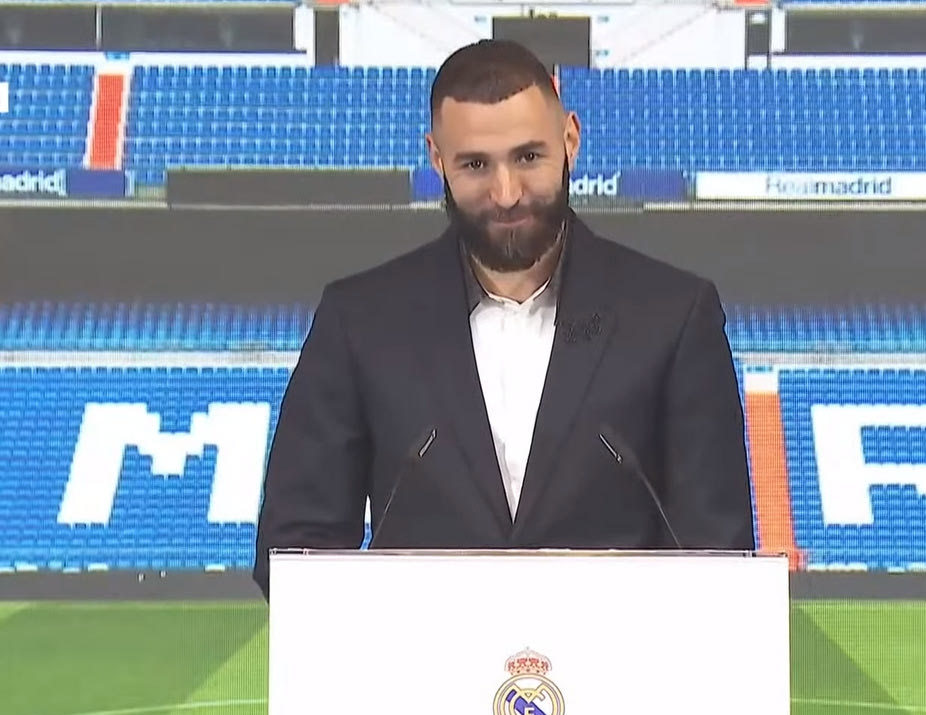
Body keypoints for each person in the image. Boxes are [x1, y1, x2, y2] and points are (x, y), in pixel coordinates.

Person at [252, 39, 753, 601]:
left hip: (618, 653)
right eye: (475, 165)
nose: (507, 194)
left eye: (528, 157)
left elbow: (719, 557)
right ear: (437, 159)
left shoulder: (675, 315)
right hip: (420, 652)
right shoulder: (358, 321)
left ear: (570, 140)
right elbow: (294, 552)